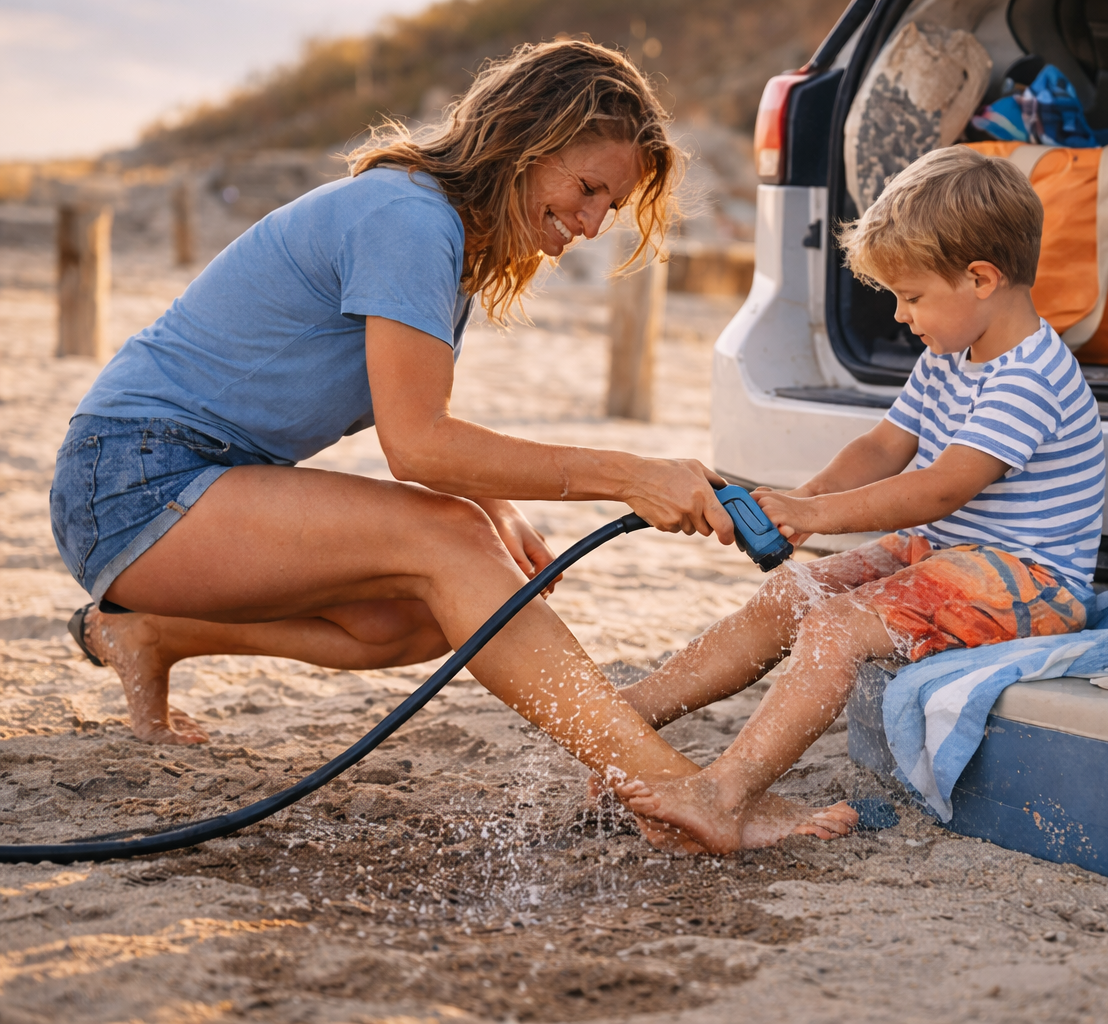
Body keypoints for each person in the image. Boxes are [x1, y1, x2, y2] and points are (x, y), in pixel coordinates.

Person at [50, 40, 856, 848]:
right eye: (585, 189)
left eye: (607, 207)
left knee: (441, 612)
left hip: (191, 481)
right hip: (134, 481)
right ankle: (677, 787)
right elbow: (419, 446)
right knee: (452, 542)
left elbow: (417, 418)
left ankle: (147, 631)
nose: (588, 224)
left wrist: (498, 513)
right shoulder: (408, 219)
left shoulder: (441, 234)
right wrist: (628, 475)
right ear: (523, 142)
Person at [613, 145, 1105, 853]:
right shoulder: (949, 354)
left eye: (911, 296)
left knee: (836, 629)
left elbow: (943, 486)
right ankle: (629, 714)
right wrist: (803, 499)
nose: (903, 317)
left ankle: (723, 796)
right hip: (948, 553)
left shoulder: (1031, 377)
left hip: (1027, 580)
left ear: (981, 279)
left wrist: (817, 515)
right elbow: (883, 447)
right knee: (789, 596)